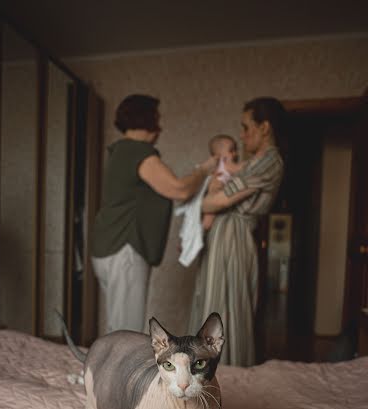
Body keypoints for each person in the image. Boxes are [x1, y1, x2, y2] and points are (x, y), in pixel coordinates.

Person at [91, 93, 216, 334]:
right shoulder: (138, 152)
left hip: (110, 246)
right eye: (157, 117)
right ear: (147, 119)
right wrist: (205, 169)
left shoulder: (121, 151)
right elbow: (179, 189)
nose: (161, 125)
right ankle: (118, 372)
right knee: (126, 331)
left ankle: (110, 370)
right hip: (123, 248)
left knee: (119, 325)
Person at [189, 97, 287, 366]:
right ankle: (206, 374)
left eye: (246, 127)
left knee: (226, 311)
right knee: (213, 304)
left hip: (233, 236)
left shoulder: (270, 160)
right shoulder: (254, 161)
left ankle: (229, 377)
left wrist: (190, 203)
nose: (242, 136)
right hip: (224, 235)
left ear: (264, 127)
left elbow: (218, 201)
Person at [176, 133, 240, 268]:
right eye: (231, 150)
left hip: (213, 194)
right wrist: (253, 163)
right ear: (219, 156)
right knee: (207, 221)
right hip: (214, 194)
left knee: (196, 222)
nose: (235, 153)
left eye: (236, 149)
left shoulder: (218, 167)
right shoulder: (227, 164)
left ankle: (187, 241)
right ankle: (195, 237)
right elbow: (244, 170)